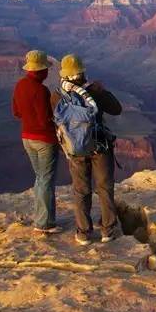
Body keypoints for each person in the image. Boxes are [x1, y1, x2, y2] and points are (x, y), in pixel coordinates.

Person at [53, 54, 123, 246]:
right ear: (82, 72)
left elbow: (54, 121)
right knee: (104, 188)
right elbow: (117, 109)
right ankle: (108, 230)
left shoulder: (58, 95)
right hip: (99, 147)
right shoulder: (93, 91)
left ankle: (83, 232)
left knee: (81, 190)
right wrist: (101, 90)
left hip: (75, 150)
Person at [12, 50, 60, 233]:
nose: (48, 72)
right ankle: (44, 223)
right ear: (40, 71)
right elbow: (44, 120)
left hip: (27, 138)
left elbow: (16, 112)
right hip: (44, 140)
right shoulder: (40, 90)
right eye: (46, 69)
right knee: (46, 179)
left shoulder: (19, 85)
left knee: (40, 178)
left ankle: (41, 217)